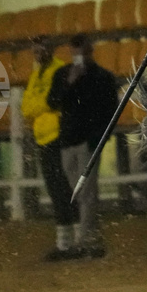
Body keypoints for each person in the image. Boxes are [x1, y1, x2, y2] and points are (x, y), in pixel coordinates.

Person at [47, 34, 119, 258]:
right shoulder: (63, 75)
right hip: (69, 140)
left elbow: (110, 111)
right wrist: (69, 83)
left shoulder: (103, 78)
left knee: (85, 193)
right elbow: (52, 101)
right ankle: (88, 239)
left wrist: (98, 139)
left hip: (85, 141)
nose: (79, 56)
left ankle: (85, 240)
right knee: (79, 192)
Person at [21, 36, 77, 261]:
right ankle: (66, 243)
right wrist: (41, 105)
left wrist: (40, 105)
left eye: (41, 49)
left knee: (65, 189)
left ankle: (74, 241)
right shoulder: (36, 74)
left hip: (58, 136)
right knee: (56, 190)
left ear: (50, 50)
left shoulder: (60, 70)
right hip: (43, 138)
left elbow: (53, 102)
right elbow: (26, 108)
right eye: (35, 50)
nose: (38, 53)